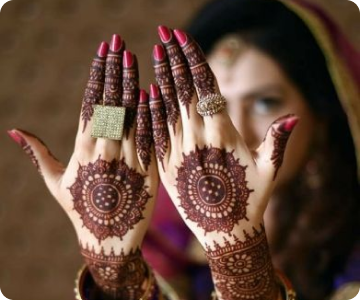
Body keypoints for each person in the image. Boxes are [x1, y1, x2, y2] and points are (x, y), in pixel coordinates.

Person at [7, 0, 360, 300]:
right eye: (214, 106)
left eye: (265, 102)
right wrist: (113, 268)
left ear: (324, 118)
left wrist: (238, 260)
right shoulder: (170, 253)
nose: (228, 131)